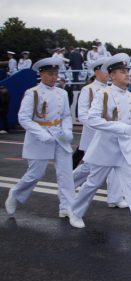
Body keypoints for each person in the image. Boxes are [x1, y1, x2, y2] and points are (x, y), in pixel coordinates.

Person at [68, 53, 131, 234]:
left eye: (127, 71)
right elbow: (92, 119)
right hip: (105, 146)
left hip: (125, 148)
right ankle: (75, 211)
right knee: (93, 183)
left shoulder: (130, 96)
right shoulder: (103, 94)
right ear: (112, 75)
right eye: (122, 72)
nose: (127, 74)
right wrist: (119, 127)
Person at [4, 58, 75, 218]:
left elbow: (65, 115)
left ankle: (67, 207)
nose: (53, 77)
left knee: (65, 173)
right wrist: (41, 134)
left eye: (56, 74)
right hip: (40, 133)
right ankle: (15, 193)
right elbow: (23, 117)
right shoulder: (32, 93)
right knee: (36, 173)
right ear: (41, 74)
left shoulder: (62, 93)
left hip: (59, 133)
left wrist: (68, 130)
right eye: (50, 74)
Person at [71, 57, 125, 207]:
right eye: (104, 69)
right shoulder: (88, 89)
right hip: (94, 134)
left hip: (111, 135)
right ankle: (68, 185)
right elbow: (82, 114)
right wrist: (100, 127)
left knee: (115, 165)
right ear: (96, 71)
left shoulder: (113, 89)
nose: (107, 73)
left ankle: (115, 198)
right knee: (90, 167)